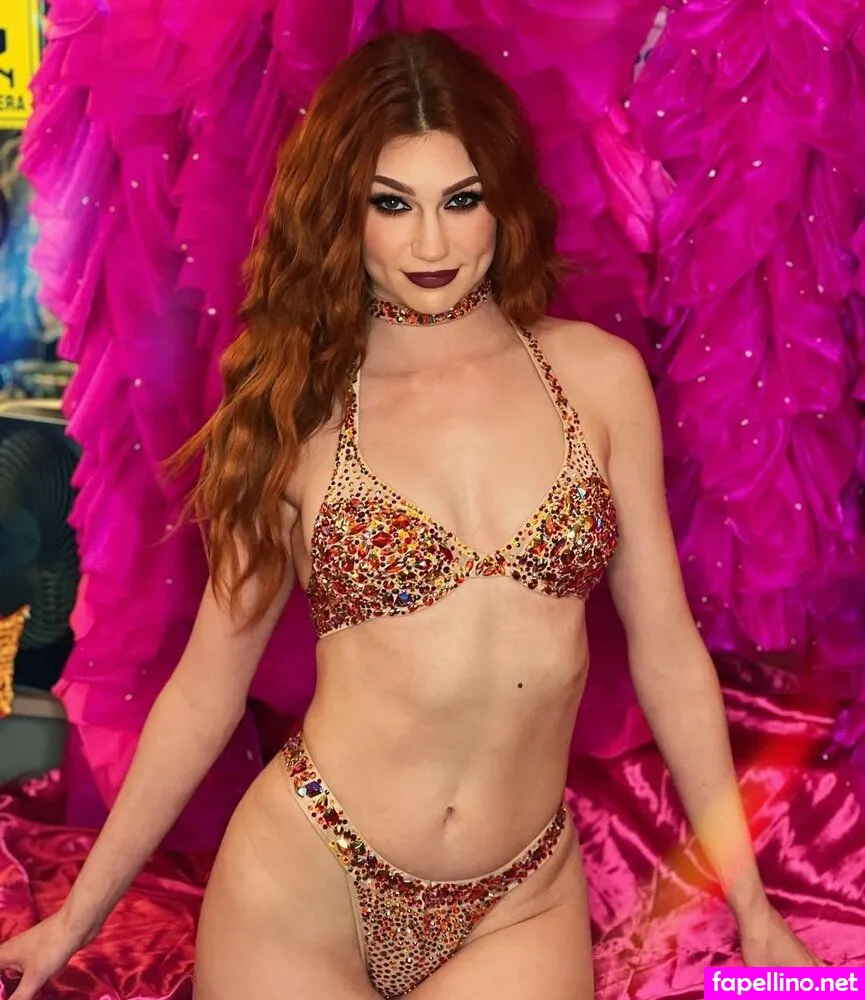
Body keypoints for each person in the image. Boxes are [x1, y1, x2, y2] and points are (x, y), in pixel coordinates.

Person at [0, 28, 821, 1000]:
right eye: (391, 204)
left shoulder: (597, 380)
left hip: (516, 903)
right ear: (342, 212)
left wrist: (753, 910)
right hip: (306, 888)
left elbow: (668, 651)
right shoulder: (296, 408)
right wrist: (74, 922)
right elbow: (205, 690)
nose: (431, 244)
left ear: (501, 199)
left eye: (459, 200)